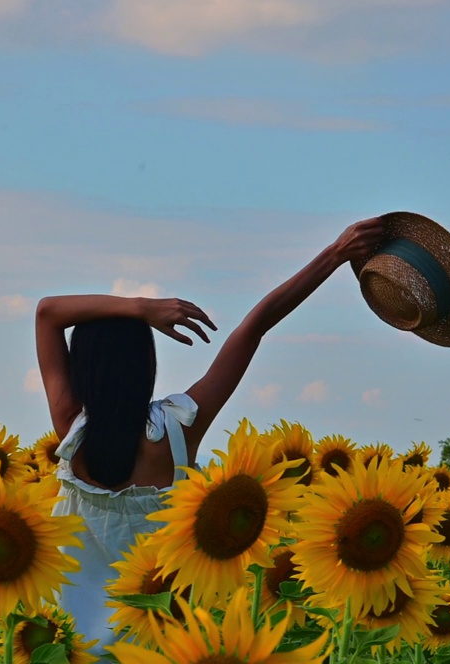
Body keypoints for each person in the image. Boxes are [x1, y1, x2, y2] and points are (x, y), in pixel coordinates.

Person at [33, 216, 385, 655]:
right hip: (158, 647)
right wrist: (335, 254)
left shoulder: (72, 429)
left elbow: (48, 311)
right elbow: (256, 326)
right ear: (145, 362)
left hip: (66, 646)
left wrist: (139, 307)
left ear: (82, 365)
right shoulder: (179, 429)